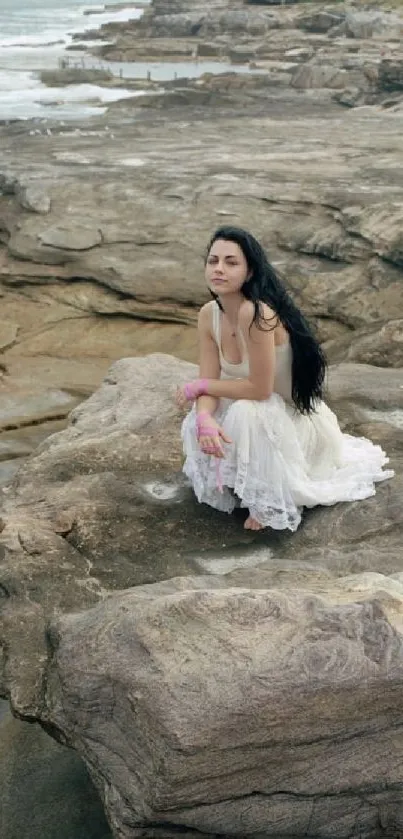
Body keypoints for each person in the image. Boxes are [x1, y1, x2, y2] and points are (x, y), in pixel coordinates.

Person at [176, 226, 394, 532]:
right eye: (213, 261)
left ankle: (268, 501)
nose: (219, 269)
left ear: (250, 272)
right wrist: (203, 418)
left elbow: (259, 389)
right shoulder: (209, 313)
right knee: (202, 414)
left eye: (231, 262)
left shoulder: (259, 315)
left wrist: (200, 387)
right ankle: (244, 480)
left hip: (293, 426)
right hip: (263, 416)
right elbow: (209, 379)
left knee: (245, 409)